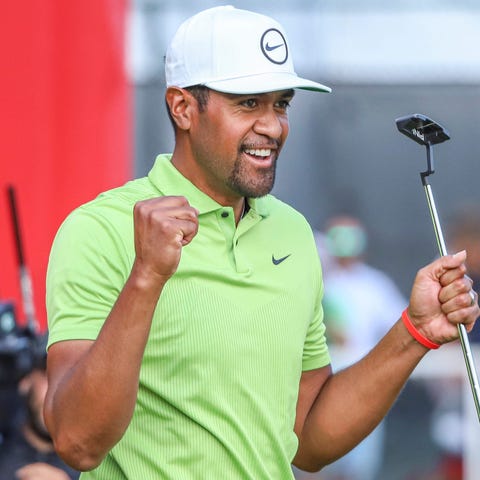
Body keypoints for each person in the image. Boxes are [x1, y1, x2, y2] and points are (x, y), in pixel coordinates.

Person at [43, 6, 479, 480]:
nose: (272, 126)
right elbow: (76, 441)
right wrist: (146, 277)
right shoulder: (100, 228)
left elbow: (308, 438)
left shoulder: (293, 234)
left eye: (281, 103)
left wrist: (413, 332)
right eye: (248, 103)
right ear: (183, 108)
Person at [309, 215, 407, 480]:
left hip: (363, 385)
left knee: (358, 467)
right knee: (312, 461)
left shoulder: (375, 285)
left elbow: (401, 327)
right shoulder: (312, 278)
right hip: (313, 385)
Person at [0, 336, 80, 480]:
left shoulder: (97, 462)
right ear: (26, 380)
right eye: (48, 374)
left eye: (68, 377)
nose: (57, 391)